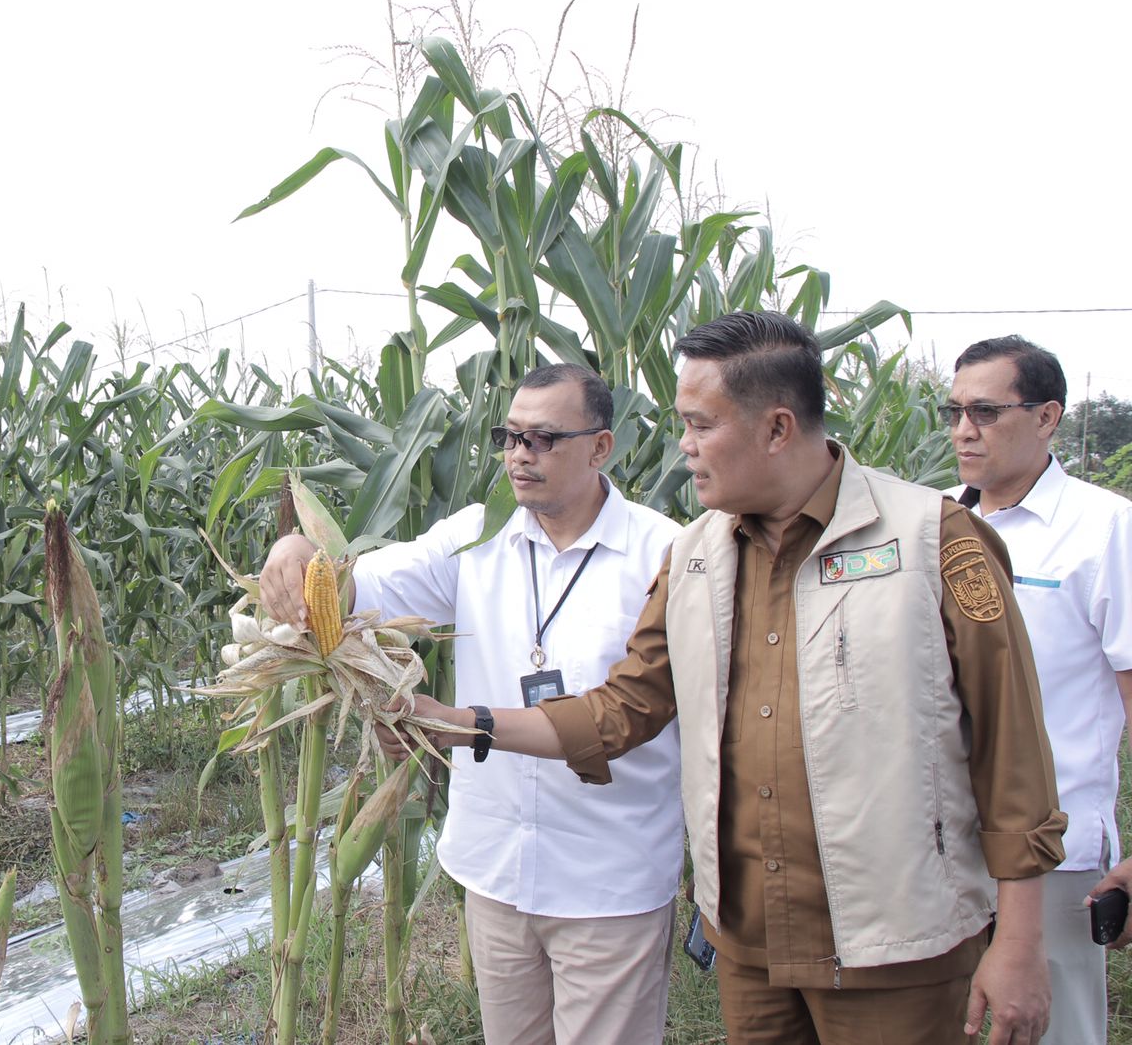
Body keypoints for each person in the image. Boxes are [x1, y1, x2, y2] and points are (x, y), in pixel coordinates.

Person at [385, 312, 1068, 1045]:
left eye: (700, 425)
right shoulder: (696, 557)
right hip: (753, 946)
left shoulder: (931, 541)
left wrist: (1021, 944)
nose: (683, 448)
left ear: (776, 429)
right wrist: (462, 725)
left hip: (894, 949)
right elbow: (623, 709)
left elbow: (1012, 751)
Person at [263, 364, 684, 1045]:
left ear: (601, 447)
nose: (520, 454)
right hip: (495, 869)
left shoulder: (663, 553)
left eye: (545, 438)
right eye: (509, 436)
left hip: (609, 881)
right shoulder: (474, 537)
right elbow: (351, 590)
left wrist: (458, 724)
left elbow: (628, 711)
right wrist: (296, 549)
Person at [946, 336, 1132, 1045]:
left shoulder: (1104, 528)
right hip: (944, 842)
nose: (966, 430)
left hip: (1055, 849)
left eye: (987, 411)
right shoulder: (935, 522)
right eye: (955, 410)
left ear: (1049, 416)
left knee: (1047, 1026)